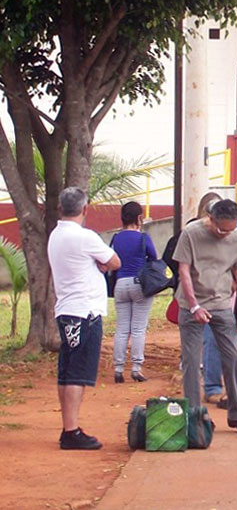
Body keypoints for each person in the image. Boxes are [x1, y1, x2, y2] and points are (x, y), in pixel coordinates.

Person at [48, 187, 121, 450]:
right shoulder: (85, 237)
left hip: (67, 308)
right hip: (85, 311)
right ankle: (71, 430)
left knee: (67, 370)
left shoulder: (56, 235)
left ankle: (69, 426)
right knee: (78, 372)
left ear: (60, 208)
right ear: (85, 209)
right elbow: (114, 262)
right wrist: (99, 263)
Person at [173, 199, 237, 431]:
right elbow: (184, 271)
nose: (225, 234)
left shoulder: (236, 236)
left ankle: (236, 413)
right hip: (191, 305)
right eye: (221, 229)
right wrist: (194, 305)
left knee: (233, 358)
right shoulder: (191, 233)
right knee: (191, 360)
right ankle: (195, 415)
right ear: (211, 219)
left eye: (230, 229)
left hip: (222, 304)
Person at [111, 201, 157, 383]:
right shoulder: (143, 238)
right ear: (139, 218)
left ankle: (118, 368)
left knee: (122, 329)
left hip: (120, 284)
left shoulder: (116, 238)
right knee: (138, 328)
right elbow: (153, 258)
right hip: (140, 284)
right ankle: (136, 368)